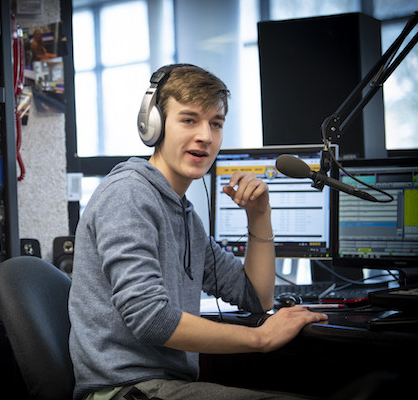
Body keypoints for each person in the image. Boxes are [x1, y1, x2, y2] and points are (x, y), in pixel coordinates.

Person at [68, 64, 328, 400]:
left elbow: (256, 296)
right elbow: (151, 319)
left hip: (165, 387)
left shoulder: (184, 216)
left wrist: (260, 215)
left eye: (215, 124)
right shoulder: (128, 195)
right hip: (123, 391)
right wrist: (260, 338)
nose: (205, 135)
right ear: (154, 126)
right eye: (189, 120)